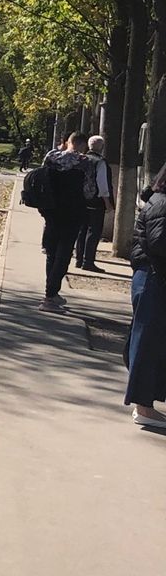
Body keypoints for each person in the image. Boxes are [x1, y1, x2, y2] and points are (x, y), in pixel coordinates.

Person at [125, 163, 166, 426]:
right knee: (148, 341)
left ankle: (147, 401)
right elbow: (160, 243)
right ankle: (143, 407)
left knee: (150, 339)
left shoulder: (159, 200)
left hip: (152, 276)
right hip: (154, 277)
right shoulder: (163, 204)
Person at [37, 131, 89, 311]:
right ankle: (49, 297)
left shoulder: (52, 156)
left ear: (68, 142)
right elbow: (89, 190)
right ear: (82, 145)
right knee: (64, 255)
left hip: (51, 211)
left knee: (51, 253)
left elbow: (41, 177)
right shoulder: (84, 162)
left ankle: (51, 293)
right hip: (73, 213)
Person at [74, 134, 113, 271]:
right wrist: (107, 203)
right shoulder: (100, 162)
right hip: (96, 201)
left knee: (82, 230)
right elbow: (102, 184)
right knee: (94, 231)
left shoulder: (82, 159)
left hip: (81, 200)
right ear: (101, 147)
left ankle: (78, 259)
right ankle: (88, 261)